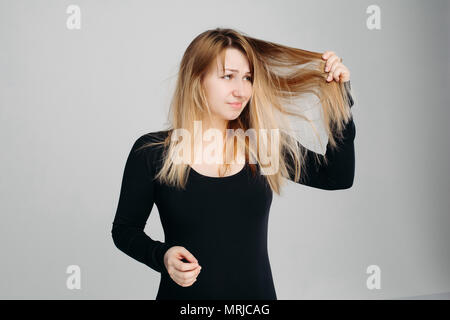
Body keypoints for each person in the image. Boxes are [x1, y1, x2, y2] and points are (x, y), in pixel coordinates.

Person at [111, 28, 356, 300]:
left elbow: (338, 178)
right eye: (228, 76)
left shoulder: (262, 145)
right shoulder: (153, 152)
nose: (241, 90)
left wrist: (339, 99)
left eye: (248, 78)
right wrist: (162, 256)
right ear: (197, 79)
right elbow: (124, 230)